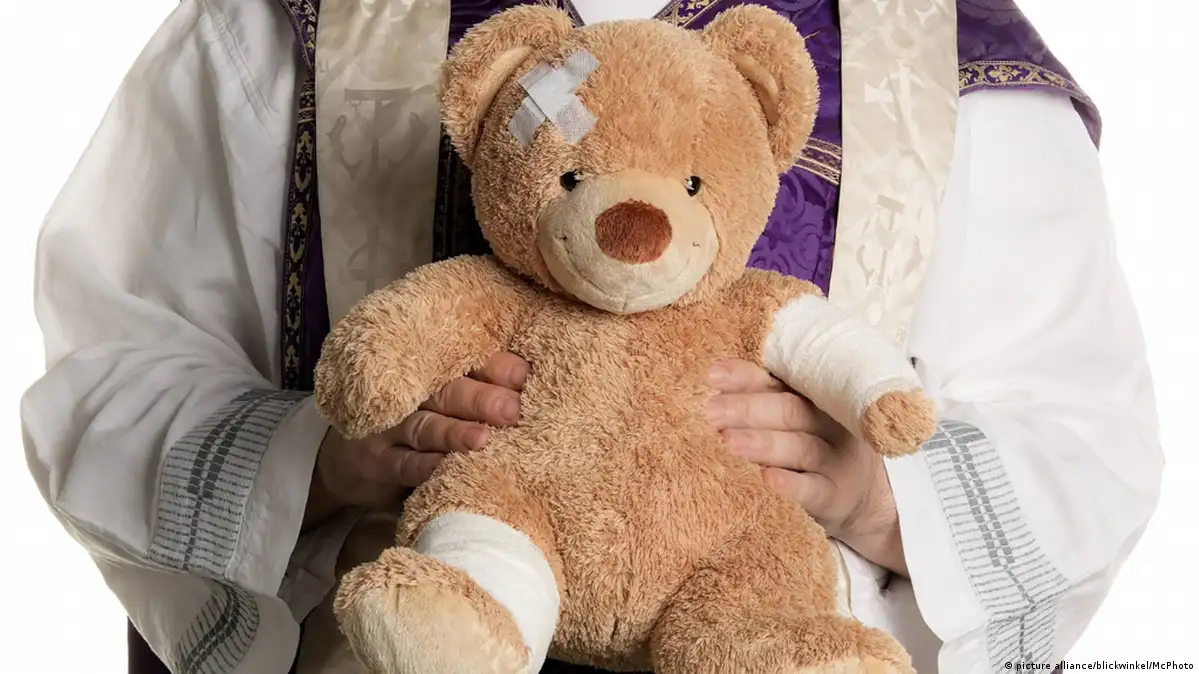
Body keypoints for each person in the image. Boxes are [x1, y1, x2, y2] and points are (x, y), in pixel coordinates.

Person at [20, 0, 1162, 672]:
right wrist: (317, 455)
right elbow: (108, 367)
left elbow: (1085, 439)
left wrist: (881, 496)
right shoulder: (288, 31)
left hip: (766, 604)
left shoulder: (938, 54)